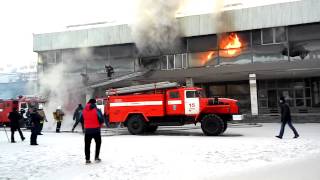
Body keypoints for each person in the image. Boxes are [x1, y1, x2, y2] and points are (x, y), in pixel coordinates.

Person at [81, 98, 104, 164]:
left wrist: (86, 124)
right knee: (98, 143)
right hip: (96, 130)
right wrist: (99, 125)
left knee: (87, 145)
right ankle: (96, 157)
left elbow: (81, 119)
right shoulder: (96, 110)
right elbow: (101, 119)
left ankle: (87, 159)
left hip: (87, 130)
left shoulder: (84, 110)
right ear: (94, 103)